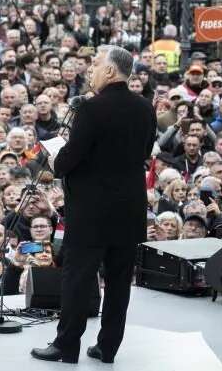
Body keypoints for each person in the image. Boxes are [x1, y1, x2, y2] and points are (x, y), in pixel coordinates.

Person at [32, 46, 155, 365]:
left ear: (112, 71)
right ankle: (108, 347)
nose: (92, 70)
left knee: (77, 277)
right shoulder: (145, 108)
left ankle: (66, 346)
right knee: (118, 281)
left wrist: (54, 156)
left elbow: (67, 162)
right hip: (129, 210)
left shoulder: (91, 109)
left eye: (97, 65)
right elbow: (144, 151)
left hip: (91, 212)